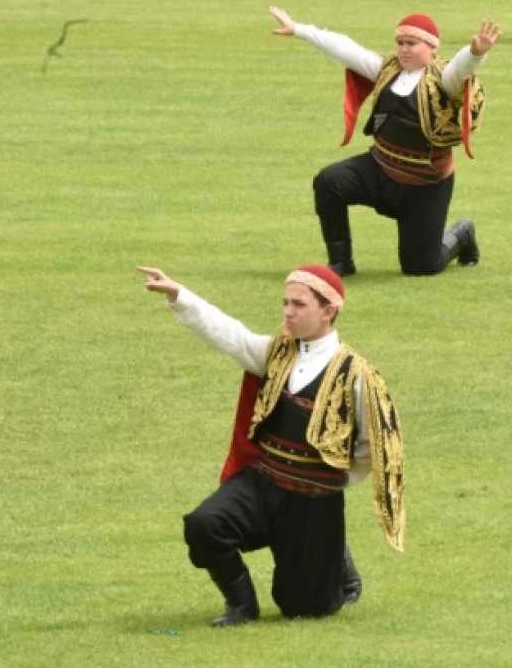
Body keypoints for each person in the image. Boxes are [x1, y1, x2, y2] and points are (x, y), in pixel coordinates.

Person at [140, 264, 405, 626]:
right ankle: (241, 605)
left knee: (303, 607)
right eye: (285, 302)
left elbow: (376, 447)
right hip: (262, 484)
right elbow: (227, 334)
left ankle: (335, 556)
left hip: (313, 502)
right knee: (204, 525)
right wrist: (177, 295)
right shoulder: (274, 352)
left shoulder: (358, 375)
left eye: (299, 304)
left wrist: (338, 480)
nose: (287, 312)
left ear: (328, 311)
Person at [267, 6, 496, 276]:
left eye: (411, 43)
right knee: (329, 181)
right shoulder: (386, 69)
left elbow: (461, 69)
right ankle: (341, 261)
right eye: (400, 43)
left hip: (424, 184)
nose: (403, 49)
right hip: (379, 170)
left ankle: (462, 234)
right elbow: (345, 48)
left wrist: (476, 53)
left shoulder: (444, 79)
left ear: (432, 48)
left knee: (420, 267)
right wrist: (299, 30)